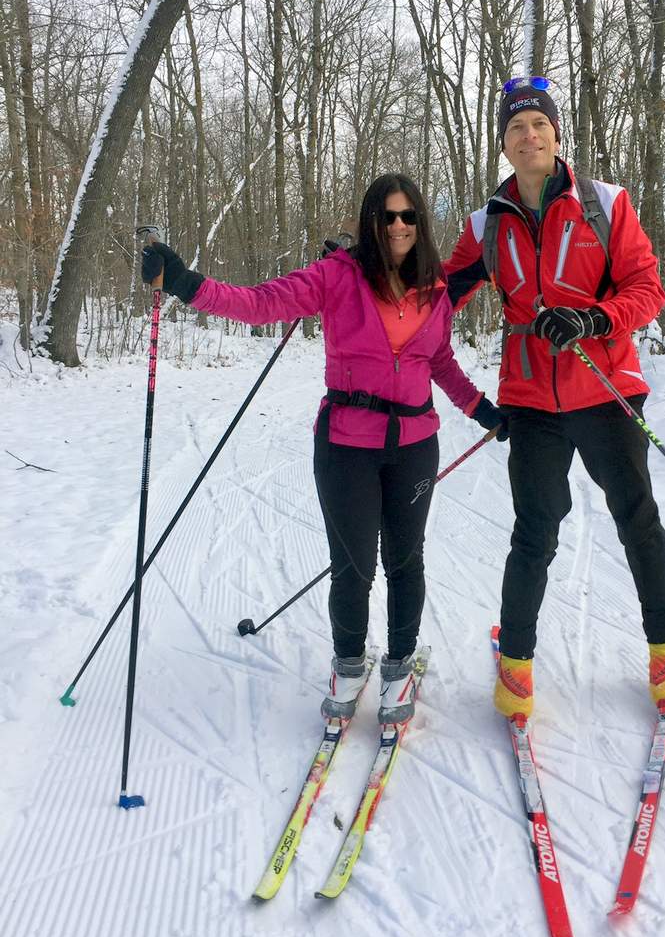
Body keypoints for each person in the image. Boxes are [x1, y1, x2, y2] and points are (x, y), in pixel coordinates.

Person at [142, 173, 506, 726]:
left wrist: (481, 408)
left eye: (409, 216)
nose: (399, 226)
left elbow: (438, 363)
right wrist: (187, 283)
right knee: (352, 566)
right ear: (371, 221)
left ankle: (400, 664)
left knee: (406, 560)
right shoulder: (337, 275)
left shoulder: (434, 289)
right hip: (345, 446)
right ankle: (349, 663)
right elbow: (259, 304)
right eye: (387, 216)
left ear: (421, 223)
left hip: (414, 446)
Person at [445, 78, 665, 718]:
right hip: (529, 401)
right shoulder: (486, 226)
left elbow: (648, 289)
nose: (529, 136)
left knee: (637, 519)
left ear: (556, 135)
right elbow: (433, 297)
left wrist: (593, 319)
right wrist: (361, 274)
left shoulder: (604, 206)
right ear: (504, 143)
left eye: (539, 125)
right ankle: (515, 671)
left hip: (606, 390)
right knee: (535, 530)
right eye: (517, 128)